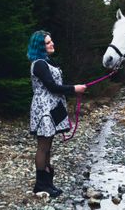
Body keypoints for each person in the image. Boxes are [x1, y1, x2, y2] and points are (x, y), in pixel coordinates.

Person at [27, 30, 86, 197]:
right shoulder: (39, 64)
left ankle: (48, 183)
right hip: (44, 110)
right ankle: (40, 185)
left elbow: (54, 86)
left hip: (52, 108)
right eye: (47, 42)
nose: (52, 43)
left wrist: (73, 89)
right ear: (40, 46)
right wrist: (74, 89)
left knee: (48, 147)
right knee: (43, 147)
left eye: (51, 40)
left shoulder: (46, 63)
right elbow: (52, 87)